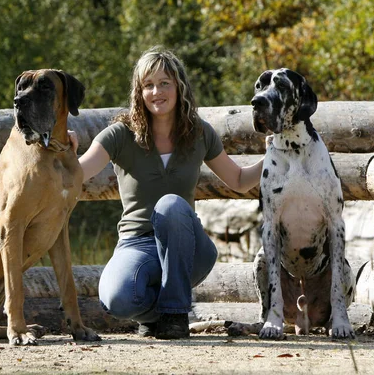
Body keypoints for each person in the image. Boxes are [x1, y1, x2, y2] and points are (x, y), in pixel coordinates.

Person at [71, 46, 263, 339]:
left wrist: (273, 157)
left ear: (179, 87)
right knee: (116, 299)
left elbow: (237, 179)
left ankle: (175, 315)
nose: (156, 91)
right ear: (139, 91)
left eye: (164, 83)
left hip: (187, 248)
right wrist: (64, 151)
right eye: (148, 85)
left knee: (171, 205)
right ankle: (156, 317)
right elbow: (79, 172)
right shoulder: (120, 134)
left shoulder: (199, 132)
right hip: (137, 244)